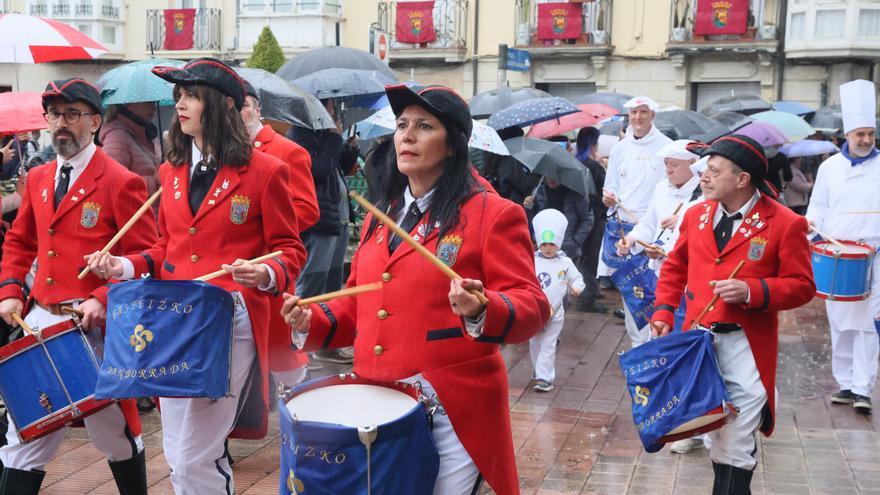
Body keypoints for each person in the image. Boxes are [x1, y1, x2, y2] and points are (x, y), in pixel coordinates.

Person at [281, 84, 551, 495]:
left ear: (453, 145)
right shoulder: (382, 213)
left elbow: (532, 304)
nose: (406, 135)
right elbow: (359, 301)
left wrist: (482, 308)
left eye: (424, 126)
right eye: (402, 125)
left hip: (453, 409)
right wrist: (310, 319)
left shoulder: (493, 215)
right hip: (380, 403)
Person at [85, 58, 305, 493]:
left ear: (222, 105)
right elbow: (166, 246)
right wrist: (121, 266)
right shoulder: (171, 172)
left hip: (228, 320)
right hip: (173, 319)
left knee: (195, 455)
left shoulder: (267, 171)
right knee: (176, 454)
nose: (179, 105)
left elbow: (292, 251)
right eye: (178, 97)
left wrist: (263, 270)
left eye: (190, 96)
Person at [0, 78, 158, 494]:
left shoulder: (121, 181)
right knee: (25, 435)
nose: (60, 125)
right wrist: (11, 289)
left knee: (115, 436)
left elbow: (146, 258)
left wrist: (103, 299)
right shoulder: (38, 178)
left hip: (93, 330)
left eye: (72, 115)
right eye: (54, 115)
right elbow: (20, 239)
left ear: (95, 121)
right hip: (40, 321)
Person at [651, 134, 815, 493]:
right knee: (714, 433)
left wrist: (754, 291)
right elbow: (675, 267)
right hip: (699, 343)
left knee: (736, 432)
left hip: (747, 346)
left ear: (742, 179)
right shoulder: (695, 214)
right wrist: (664, 309)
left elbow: (803, 286)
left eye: (713, 171)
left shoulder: (785, 223)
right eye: (704, 170)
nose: (703, 178)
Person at [806, 79, 880, 415]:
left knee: (868, 326)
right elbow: (818, 207)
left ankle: (863, 388)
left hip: (875, 258)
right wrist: (812, 227)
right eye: (859, 134)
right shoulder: (828, 168)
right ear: (845, 136)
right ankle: (846, 384)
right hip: (837, 254)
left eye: (870, 133)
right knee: (840, 323)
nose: (865, 140)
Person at [241, 80, 317, 386]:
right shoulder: (223, 154)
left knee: (284, 359)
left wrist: (262, 226)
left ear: (258, 109)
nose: (238, 114)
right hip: (235, 271)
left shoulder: (288, 151)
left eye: (244, 106)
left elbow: (307, 209)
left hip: (271, 265)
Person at [601, 96, 672, 342]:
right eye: (633, 113)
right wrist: (609, 199)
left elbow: (671, 190)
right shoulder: (620, 148)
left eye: (643, 112)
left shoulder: (666, 147)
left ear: (652, 115)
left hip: (653, 232)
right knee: (630, 292)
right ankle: (637, 345)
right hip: (623, 231)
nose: (638, 117)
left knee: (654, 289)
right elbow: (611, 186)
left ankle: (655, 344)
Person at [618, 139, 701, 278]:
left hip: (690, 272)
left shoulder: (706, 193)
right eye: (666, 164)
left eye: (674, 164)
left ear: (693, 163)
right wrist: (632, 239)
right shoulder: (661, 188)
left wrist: (683, 222)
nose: (668, 169)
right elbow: (649, 224)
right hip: (660, 270)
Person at [530, 209, 584, 392]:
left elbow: (577, 279)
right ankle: (538, 370)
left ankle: (545, 377)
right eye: (543, 244)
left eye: (552, 244)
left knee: (548, 343)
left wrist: (577, 288)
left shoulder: (565, 263)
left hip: (555, 312)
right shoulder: (531, 261)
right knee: (535, 342)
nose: (547, 248)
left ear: (559, 243)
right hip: (534, 311)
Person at [574, 127, 608, 313]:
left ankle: (586, 291)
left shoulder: (575, 163)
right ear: (593, 143)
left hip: (579, 216)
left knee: (583, 256)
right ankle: (588, 299)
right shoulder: (594, 167)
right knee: (591, 257)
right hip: (595, 216)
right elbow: (607, 189)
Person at [99, 102, 162, 196]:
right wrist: (154, 181)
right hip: (135, 210)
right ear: (129, 103)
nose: (154, 108)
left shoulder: (149, 134)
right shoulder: (116, 138)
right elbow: (110, 185)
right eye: (149, 103)